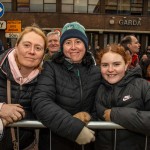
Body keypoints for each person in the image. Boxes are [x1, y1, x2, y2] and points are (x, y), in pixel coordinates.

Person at [32, 22, 101, 150]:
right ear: (62, 46)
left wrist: (89, 116)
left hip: (88, 142)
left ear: (85, 45)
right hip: (55, 142)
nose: (73, 47)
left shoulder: (96, 72)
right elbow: (41, 101)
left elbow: (103, 103)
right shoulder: (51, 68)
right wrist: (73, 128)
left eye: (78, 42)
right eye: (68, 42)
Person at [94, 43, 150, 150]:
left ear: (126, 65)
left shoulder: (143, 86)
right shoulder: (97, 88)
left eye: (116, 64)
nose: (110, 69)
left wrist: (117, 114)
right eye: (105, 65)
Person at [0, 26, 47, 149]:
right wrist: (0, 108)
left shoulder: (47, 77)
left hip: (27, 146)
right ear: (16, 46)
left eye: (38, 48)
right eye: (26, 45)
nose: (32, 51)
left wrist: (15, 116)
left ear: (43, 54)